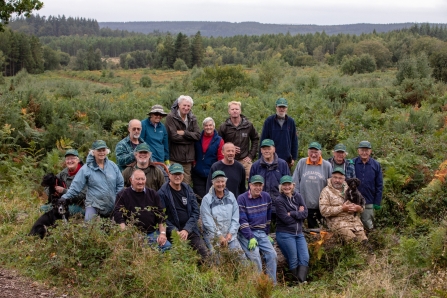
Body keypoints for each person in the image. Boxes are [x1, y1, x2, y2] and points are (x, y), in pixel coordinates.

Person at [60, 140, 124, 221]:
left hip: (112, 205)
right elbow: (75, 187)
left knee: (115, 227)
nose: (101, 153)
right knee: (89, 223)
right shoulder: (86, 169)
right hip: (94, 205)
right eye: (99, 150)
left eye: (103, 150)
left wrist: (117, 200)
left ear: (107, 151)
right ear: (93, 152)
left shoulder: (113, 166)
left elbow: (120, 184)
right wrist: (64, 197)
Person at [157, 163, 208, 261]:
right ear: (169, 175)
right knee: (177, 258)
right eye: (175, 174)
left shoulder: (187, 189)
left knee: (204, 255)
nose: (177, 176)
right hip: (172, 232)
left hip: (190, 230)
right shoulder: (162, 193)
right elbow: (161, 216)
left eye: (179, 174)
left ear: (183, 175)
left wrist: (186, 229)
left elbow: (195, 211)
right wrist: (175, 231)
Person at [114, 170, 171, 251]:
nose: (140, 182)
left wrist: (162, 234)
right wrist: (126, 234)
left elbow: (161, 215)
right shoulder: (122, 195)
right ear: (131, 180)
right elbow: (118, 215)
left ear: (145, 180)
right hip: (133, 234)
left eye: (142, 179)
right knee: (135, 250)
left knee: (167, 246)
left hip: (152, 234)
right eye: (137, 179)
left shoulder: (153, 194)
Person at [238, 175, 277, 284]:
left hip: (262, 233)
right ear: (250, 185)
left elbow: (268, 217)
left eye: (260, 185)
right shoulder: (242, 198)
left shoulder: (266, 197)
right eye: (255, 185)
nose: (258, 188)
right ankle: (259, 284)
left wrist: (266, 233)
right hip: (247, 233)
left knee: (272, 255)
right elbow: (242, 220)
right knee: (255, 256)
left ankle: (271, 284)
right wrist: (250, 237)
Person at [200, 170, 244, 256]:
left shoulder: (231, 196)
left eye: (222, 181)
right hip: (213, 237)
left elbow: (235, 217)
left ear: (225, 183)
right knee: (218, 258)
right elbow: (208, 222)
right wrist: (219, 236)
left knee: (241, 257)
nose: (220, 184)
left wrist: (230, 233)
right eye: (217, 182)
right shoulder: (206, 199)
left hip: (230, 236)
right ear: (213, 183)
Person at [275, 175, 309, 283]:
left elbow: (305, 213)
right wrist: (299, 214)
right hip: (285, 233)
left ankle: (301, 281)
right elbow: (285, 219)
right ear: (281, 187)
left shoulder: (298, 196)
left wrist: (293, 213)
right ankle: (297, 283)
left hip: (299, 233)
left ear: (292, 185)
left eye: (289, 184)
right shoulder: (279, 200)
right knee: (293, 259)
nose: (287, 187)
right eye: (284, 185)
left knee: (305, 257)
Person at [319, 167, 367, 242]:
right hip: (338, 223)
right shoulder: (326, 191)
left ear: (344, 179)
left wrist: (359, 208)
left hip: (355, 223)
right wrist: (342, 208)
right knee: (352, 241)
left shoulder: (351, 188)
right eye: (335, 177)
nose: (337, 180)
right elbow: (324, 211)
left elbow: (362, 201)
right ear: (331, 177)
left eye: (340, 178)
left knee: (364, 242)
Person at [292, 142, 332, 228]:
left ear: (320, 153)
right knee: (300, 230)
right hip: (303, 204)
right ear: (308, 152)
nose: (313, 155)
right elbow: (295, 182)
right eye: (311, 152)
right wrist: (297, 201)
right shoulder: (302, 163)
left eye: (316, 152)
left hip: (320, 206)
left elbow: (330, 186)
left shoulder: (327, 165)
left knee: (316, 231)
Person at [249, 139, 290, 224]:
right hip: (260, 206)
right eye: (264, 149)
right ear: (261, 150)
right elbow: (250, 185)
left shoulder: (282, 164)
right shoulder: (256, 166)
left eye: (269, 148)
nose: (266, 151)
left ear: (274, 149)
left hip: (279, 205)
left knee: (278, 232)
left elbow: (288, 185)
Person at [218, 101, 259, 179]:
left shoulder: (248, 125)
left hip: (245, 160)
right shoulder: (224, 127)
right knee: (228, 181)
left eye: (236, 109)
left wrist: (251, 155)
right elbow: (219, 143)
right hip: (229, 160)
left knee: (253, 180)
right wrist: (230, 149)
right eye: (232, 109)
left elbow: (255, 139)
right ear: (229, 111)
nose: (234, 111)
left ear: (240, 111)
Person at [165, 95, 201, 184]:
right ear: (179, 105)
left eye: (188, 106)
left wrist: (184, 133)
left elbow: (197, 136)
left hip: (188, 159)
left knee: (186, 185)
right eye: (184, 105)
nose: (186, 108)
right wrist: (190, 139)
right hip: (175, 158)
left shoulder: (192, 118)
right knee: (173, 183)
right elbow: (173, 136)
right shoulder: (171, 117)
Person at [43, 149, 86, 216]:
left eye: (72, 158)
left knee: (67, 211)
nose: (70, 161)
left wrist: (64, 191)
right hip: (64, 202)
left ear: (78, 160)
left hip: (81, 204)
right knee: (43, 208)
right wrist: (53, 192)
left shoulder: (85, 173)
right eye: (67, 159)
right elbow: (47, 186)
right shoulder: (64, 172)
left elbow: (83, 195)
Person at [353, 141, 383, 231]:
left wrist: (377, 202)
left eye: (366, 150)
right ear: (358, 151)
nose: (364, 153)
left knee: (368, 223)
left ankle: (370, 242)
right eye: (362, 150)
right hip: (353, 200)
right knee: (353, 223)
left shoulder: (376, 165)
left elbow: (379, 185)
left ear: (370, 151)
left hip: (369, 200)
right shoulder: (352, 163)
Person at [260, 98, 298, 168]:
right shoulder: (269, 121)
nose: (281, 109)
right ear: (276, 107)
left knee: (285, 178)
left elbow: (294, 140)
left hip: (286, 159)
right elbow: (263, 140)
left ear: (286, 108)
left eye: (283, 107)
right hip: (271, 158)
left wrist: (294, 158)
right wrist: (261, 158)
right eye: (280, 107)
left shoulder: (291, 121)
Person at [192, 117, 224, 199]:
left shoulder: (219, 140)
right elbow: (193, 151)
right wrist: (194, 163)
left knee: (212, 195)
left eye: (210, 125)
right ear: (203, 127)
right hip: (198, 172)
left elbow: (221, 157)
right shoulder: (197, 138)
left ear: (214, 126)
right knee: (200, 197)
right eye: (206, 125)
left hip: (212, 172)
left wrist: (218, 171)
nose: (208, 127)